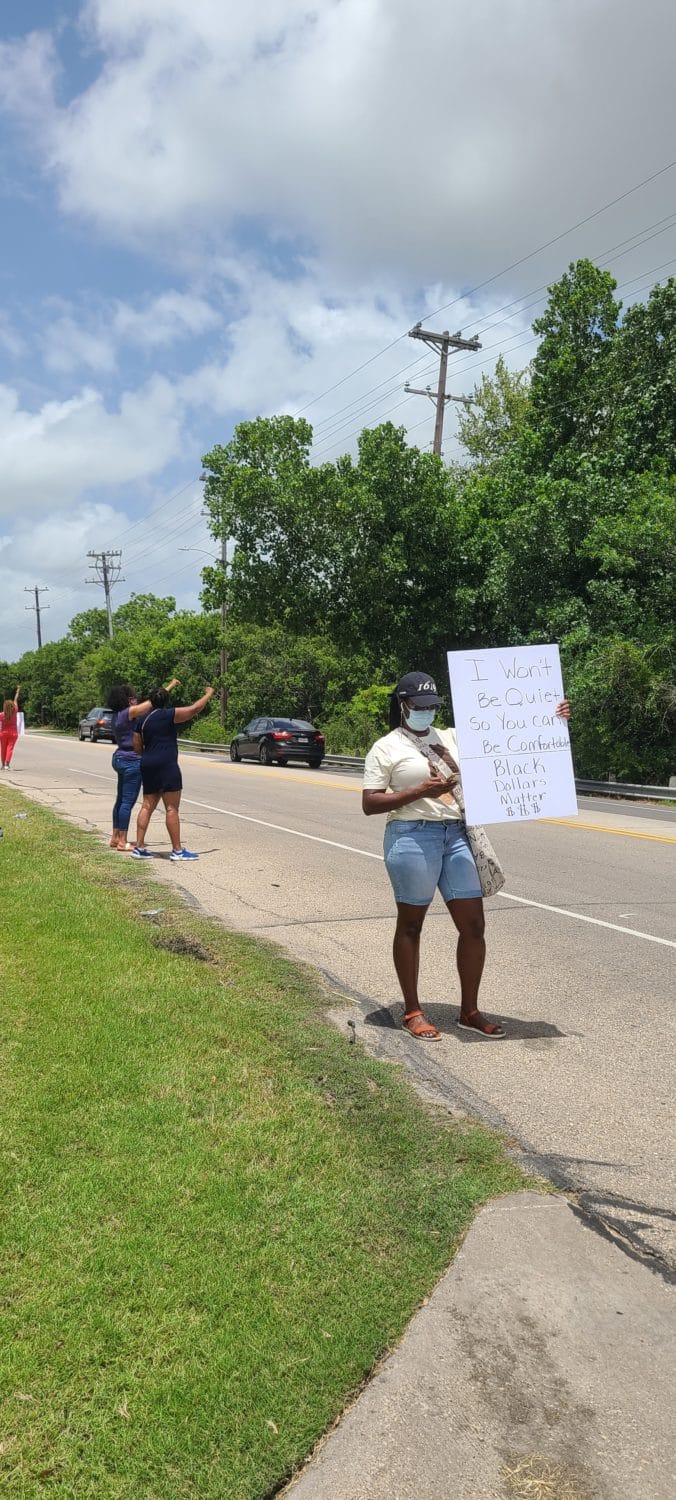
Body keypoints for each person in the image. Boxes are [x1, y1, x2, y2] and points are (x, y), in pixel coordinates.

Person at [362, 670, 571, 1041]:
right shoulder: (386, 746)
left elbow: (509, 734)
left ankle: (469, 1011)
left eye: (432, 706)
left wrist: (552, 716)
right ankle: (413, 1011)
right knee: (411, 924)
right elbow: (370, 802)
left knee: (473, 925)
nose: (426, 712)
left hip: (457, 833)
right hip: (412, 836)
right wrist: (419, 791)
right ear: (403, 704)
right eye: (419, 706)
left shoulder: (453, 736)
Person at [130, 684, 215, 861]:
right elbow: (194, 709)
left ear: (150, 701)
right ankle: (177, 850)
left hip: (148, 763)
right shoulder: (170, 714)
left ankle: (139, 847)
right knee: (171, 808)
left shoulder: (142, 720)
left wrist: (148, 756)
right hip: (167, 764)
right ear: (166, 701)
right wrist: (209, 693)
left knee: (146, 806)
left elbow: (136, 746)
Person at [107, 678, 180, 850]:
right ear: (125, 699)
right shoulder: (129, 712)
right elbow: (152, 703)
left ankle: (115, 836)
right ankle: (122, 841)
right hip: (131, 760)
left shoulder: (117, 715)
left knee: (120, 801)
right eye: (132, 697)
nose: (134, 699)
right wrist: (170, 685)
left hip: (119, 757)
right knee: (127, 802)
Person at [0, 684, 21, 769]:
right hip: (13, 732)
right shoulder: (15, 711)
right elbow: (16, 699)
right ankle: (7, 764)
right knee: (10, 748)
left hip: (3, 732)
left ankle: (2, 765)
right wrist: (18, 690)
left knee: (3, 748)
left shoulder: (1, 715)